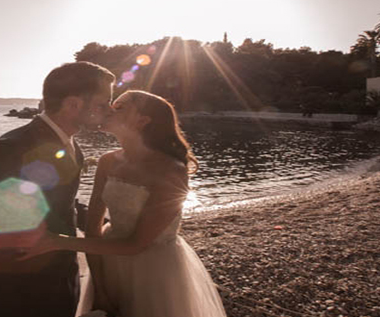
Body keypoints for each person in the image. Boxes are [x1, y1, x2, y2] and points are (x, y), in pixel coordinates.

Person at [21, 90, 227, 317]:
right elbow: (92, 228)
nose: (108, 110)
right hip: (108, 261)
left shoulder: (170, 170)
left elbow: (136, 244)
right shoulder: (107, 161)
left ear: (142, 121)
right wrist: (100, 287)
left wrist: (57, 242)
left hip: (155, 271)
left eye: (120, 107)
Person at [0, 61, 115, 317]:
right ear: (73, 104)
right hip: (16, 293)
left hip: (59, 279)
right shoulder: (11, 148)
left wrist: (106, 225)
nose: (109, 110)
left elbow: (61, 204)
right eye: (103, 103)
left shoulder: (71, 145)